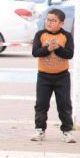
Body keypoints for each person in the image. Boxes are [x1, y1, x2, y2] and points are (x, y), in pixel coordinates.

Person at [31, 8, 75, 143]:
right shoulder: (40, 34)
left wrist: (58, 48)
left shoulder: (66, 36)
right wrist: (48, 49)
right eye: (48, 20)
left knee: (64, 104)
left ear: (61, 23)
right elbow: (35, 52)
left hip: (62, 76)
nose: (49, 23)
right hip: (44, 76)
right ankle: (40, 130)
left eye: (53, 21)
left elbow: (69, 54)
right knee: (41, 104)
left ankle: (67, 131)